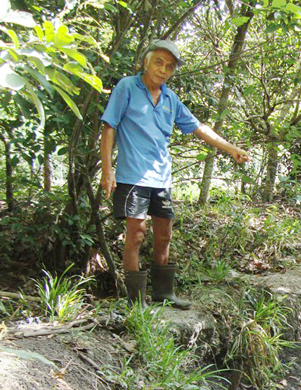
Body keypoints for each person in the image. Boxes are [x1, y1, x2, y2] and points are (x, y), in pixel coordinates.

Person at [100, 39, 249, 309]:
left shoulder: (170, 98)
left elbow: (198, 128)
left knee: (164, 235)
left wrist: (230, 148)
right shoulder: (127, 87)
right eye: (159, 62)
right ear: (147, 61)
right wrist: (107, 169)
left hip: (161, 179)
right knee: (135, 235)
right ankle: (135, 302)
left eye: (169, 66)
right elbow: (109, 126)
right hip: (132, 176)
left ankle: (163, 293)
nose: (163, 70)